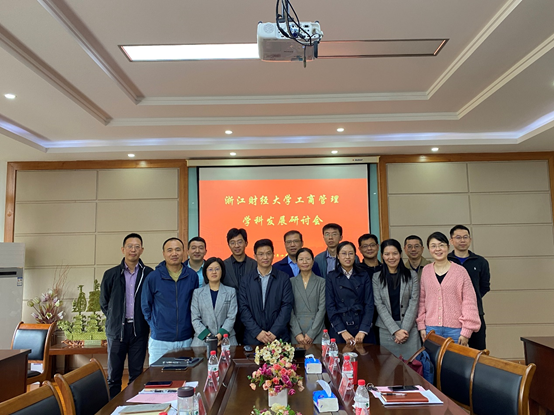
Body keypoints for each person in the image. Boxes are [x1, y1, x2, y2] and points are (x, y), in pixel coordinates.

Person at [100, 233, 153, 399]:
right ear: (123, 249)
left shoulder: (148, 274)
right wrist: (115, 318)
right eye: (130, 246)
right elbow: (104, 302)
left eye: (137, 247)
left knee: (136, 376)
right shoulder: (111, 274)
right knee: (113, 376)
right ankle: (112, 407)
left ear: (142, 250)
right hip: (116, 332)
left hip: (139, 331)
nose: (133, 250)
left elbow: (151, 301)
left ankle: (133, 407)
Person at [416, 232, 480, 346]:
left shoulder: (460, 272)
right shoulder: (426, 271)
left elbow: (469, 302)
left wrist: (466, 331)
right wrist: (421, 326)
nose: (438, 249)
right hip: (431, 329)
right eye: (433, 246)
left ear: (448, 247)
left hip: (456, 330)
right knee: (432, 358)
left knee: (455, 358)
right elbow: (422, 300)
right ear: (429, 249)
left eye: (441, 245)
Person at [141, 237, 199, 364]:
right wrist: (156, 325)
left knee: (186, 375)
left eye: (178, 250)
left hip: (186, 340)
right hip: (160, 341)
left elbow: (195, 305)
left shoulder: (192, 276)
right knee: (157, 376)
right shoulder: (153, 277)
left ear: (184, 252)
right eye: (170, 250)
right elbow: (146, 306)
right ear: (163, 253)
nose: (174, 253)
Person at [238, 239, 293, 345]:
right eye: (261, 254)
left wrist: (274, 332)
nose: (265, 257)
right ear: (255, 256)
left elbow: (286, 307)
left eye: (268, 253)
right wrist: (257, 332)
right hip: (253, 338)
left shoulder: (283, 278)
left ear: (273, 255)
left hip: (278, 338)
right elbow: (243, 308)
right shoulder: (246, 280)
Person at [372, 239, 420, 358]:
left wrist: (404, 330)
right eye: (387, 254)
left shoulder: (412, 275)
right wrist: (395, 331)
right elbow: (379, 305)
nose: (391, 257)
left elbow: (414, 303)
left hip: (408, 330)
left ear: (400, 254)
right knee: (388, 366)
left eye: (395, 253)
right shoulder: (376, 277)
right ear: (382, 256)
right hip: (387, 330)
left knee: (413, 366)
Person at [447, 225, 491, 350]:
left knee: (478, 352)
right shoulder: (446, 261)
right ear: (451, 241)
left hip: (475, 313)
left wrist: (470, 299)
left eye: (465, 237)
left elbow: (484, 286)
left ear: (470, 240)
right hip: (452, 315)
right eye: (458, 237)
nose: (462, 240)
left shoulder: (481, 262)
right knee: (454, 352)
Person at [326, 241, 375, 344]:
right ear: (338, 256)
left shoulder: (363, 275)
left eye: (351, 253)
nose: (347, 257)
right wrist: (342, 331)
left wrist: (363, 330)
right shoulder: (331, 276)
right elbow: (330, 306)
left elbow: (369, 304)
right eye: (344, 253)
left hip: (361, 327)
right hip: (340, 329)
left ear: (355, 255)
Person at [191, 257, 238, 346]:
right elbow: (195, 319)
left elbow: (231, 317)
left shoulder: (231, 292)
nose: (214, 272)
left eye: (217, 269)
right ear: (205, 272)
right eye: (210, 269)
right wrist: (210, 338)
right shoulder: (197, 293)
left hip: (226, 340)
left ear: (222, 271)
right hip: (202, 341)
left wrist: (219, 336)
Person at [223, 228, 257, 344]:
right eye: (232, 242)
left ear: (246, 243)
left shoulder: (255, 265)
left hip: (252, 317)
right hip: (230, 317)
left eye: (239, 242)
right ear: (228, 245)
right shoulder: (223, 266)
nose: (236, 246)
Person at [289, 248, 326, 344]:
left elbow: (322, 309)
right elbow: (289, 309)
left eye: (308, 259)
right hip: (297, 333)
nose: (304, 262)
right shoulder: (291, 282)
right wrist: (297, 333)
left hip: (317, 331)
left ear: (313, 261)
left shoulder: (321, 282)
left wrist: (311, 334)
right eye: (301, 259)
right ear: (297, 262)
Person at [357, 233, 383, 345]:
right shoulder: (357, 271)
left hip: (383, 318)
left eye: (372, 245)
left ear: (377, 246)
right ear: (360, 249)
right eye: (365, 246)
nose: (369, 248)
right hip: (364, 319)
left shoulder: (385, 269)